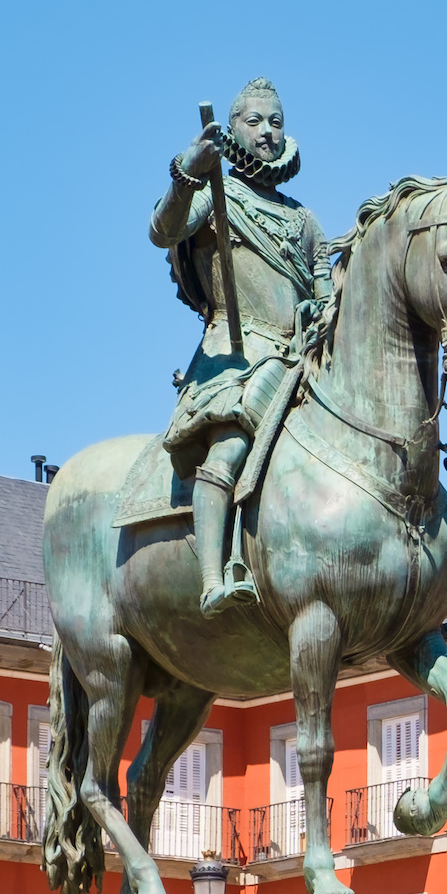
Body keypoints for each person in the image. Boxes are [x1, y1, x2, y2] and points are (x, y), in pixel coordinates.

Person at [149, 77, 332, 616]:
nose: (268, 133)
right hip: (239, 353)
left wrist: (322, 311)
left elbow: (325, 288)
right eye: (255, 122)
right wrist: (187, 170)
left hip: (300, 355)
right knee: (229, 448)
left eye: (276, 122)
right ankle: (211, 579)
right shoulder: (215, 199)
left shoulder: (304, 220)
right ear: (231, 133)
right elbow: (163, 229)